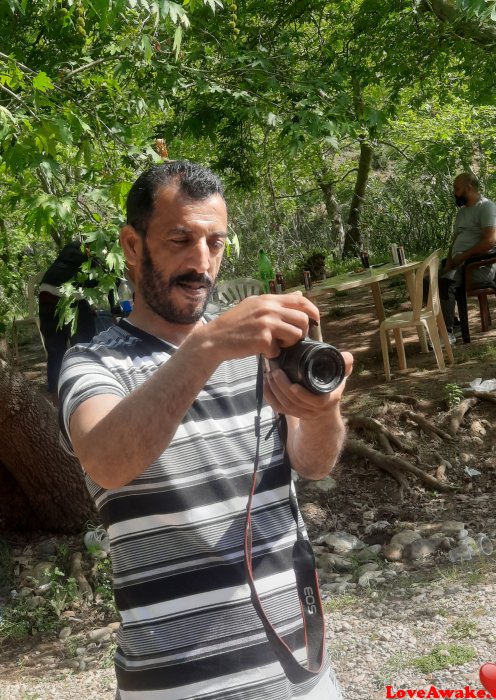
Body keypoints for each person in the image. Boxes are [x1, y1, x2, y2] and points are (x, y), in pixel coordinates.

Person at [58, 160, 353, 700]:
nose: (202, 263)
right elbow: (107, 460)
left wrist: (320, 412)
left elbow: (314, 463)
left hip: (300, 672)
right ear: (131, 245)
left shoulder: (258, 351)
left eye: (215, 243)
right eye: (180, 240)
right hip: (176, 687)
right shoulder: (92, 364)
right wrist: (210, 345)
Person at [438, 172, 496, 344]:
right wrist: (450, 260)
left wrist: (464, 257)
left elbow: (489, 241)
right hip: (459, 264)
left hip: (478, 267)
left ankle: (447, 333)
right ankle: (455, 323)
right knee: (427, 281)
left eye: (456, 188)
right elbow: (456, 241)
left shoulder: (486, 207)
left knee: (445, 282)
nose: (454, 192)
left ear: (469, 188)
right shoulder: (462, 213)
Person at [38, 240, 98, 401]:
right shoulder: (91, 257)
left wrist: (87, 304)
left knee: (55, 350)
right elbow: (93, 283)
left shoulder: (67, 253)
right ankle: (85, 390)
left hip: (47, 296)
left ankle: (55, 396)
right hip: (69, 299)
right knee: (83, 347)